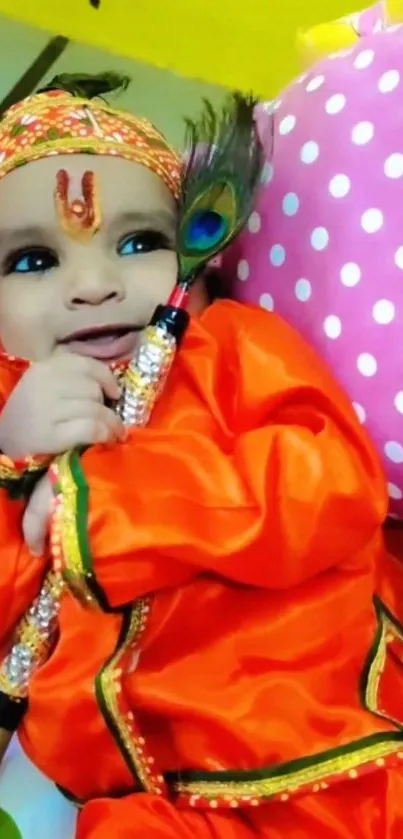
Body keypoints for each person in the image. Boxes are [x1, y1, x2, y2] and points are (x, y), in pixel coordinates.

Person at [0, 73, 398, 839]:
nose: (92, 285)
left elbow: (333, 488)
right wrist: (15, 467)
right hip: (124, 794)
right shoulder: (9, 410)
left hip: (315, 749)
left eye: (137, 242)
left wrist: (116, 503)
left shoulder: (229, 349)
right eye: (30, 262)